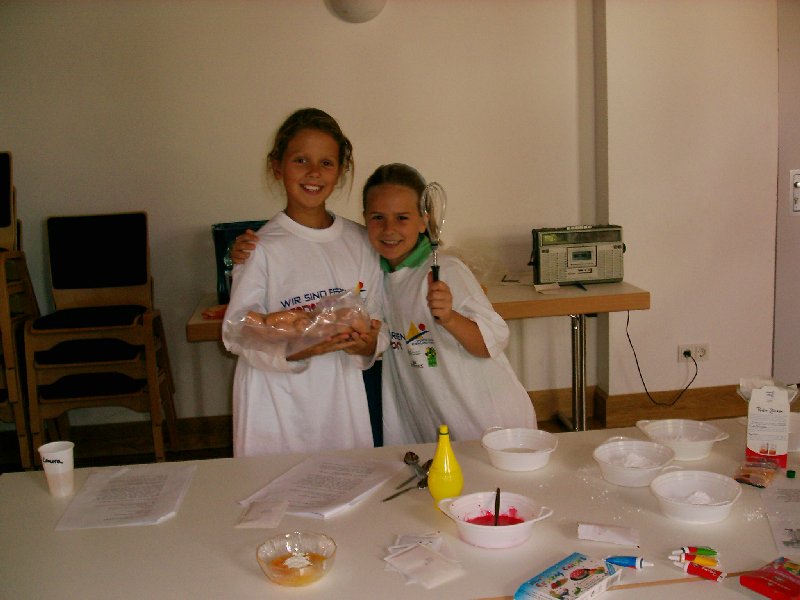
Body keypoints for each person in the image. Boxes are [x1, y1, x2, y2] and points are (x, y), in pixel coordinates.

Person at [222, 107, 386, 456]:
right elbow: (236, 332)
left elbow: (380, 320)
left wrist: (367, 345)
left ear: (340, 171)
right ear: (277, 167)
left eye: (326, 163)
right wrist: (297, 347)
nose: (314, 172)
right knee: (275, 483)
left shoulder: (359, 242)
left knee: (344, 478)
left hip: (340, 399)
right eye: (301, 160)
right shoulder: (259, 248)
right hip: (275, 403)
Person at [362, 163, 536, 444]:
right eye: (378, 217)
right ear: (365, 220)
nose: (389, 228)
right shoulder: (377, 278)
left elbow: (491, 342)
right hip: (434, 426)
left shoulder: (447, 270)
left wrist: (450, 318)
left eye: (402, 217)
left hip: (487, 425)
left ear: (423, 221)